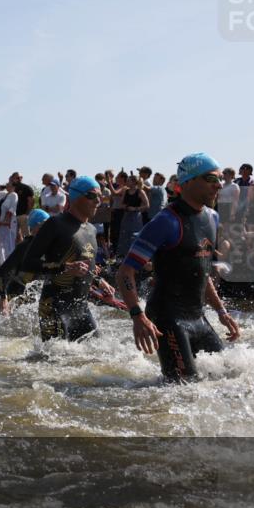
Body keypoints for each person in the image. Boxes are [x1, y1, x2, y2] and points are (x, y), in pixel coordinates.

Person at [116, 153, 240, 382]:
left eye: (220, 179)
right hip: (167, 318)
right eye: (211, 179)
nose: (219, 185)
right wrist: (137, 315)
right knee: (183, 390)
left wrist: (221, 311)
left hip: (197, 317)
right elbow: (126, 271)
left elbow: (201, 271)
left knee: (230, 378)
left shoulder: (212, 218)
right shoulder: (166, 221)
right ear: (189, 181)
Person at [19, 176, 116, 341]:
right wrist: (64, 267)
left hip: (81, 307)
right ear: (76, 197)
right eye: (92, 196)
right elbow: (28, 263)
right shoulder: (55, 224)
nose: (98, 201)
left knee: (97, 358)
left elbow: (83, 266)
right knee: (54, 362)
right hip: (53, 307)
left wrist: (98, 281)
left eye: (100, 196)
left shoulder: (91, 230)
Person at [0, 209, 50, 314]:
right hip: (15, 293)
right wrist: (3, 298)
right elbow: (1, 272)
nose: (49, 229)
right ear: (36, 227)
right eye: (46, 225)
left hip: (34, 294)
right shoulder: (25, 246)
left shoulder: (48, 246)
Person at [115, 175, 149, 260]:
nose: (127, 182)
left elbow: (147, 205)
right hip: (126, 216)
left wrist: (135, 208)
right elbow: (121, 204)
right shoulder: (125, 191)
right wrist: (126, 207)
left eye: (129, 180)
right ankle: (123, 256)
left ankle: (134, 256)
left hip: (136, 217)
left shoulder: (140, 192)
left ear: (134, 182)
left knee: (134, 235)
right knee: (124, 235)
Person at [0, 180, 18, 265]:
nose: (7, 185)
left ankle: (10, 263)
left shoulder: (14, 195)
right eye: (7, 184)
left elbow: (12, 209)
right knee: (0, 244)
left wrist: (5, 221)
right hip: (0, 222)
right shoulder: (4, 195)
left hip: (9, 223)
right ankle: (2, 263)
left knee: (9, 243)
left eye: (9, 184)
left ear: (13, 187)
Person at [10, 172, 34, 241]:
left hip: (23, 215)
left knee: (27, 236)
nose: (19, 179)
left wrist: (27, 214)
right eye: (17, 178)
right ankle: (19, 250)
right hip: (13, 216)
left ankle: (27, 250)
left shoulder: (26, 188)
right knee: (15, 236)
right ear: (13, 178)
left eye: (21, 177)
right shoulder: (11, 188)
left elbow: (31, 201)